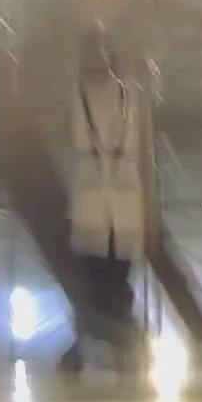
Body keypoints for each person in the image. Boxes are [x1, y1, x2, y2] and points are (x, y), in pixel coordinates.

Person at [58, 24, 150, 382]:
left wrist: (148, 211)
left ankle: (120, 345)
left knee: (118, 279)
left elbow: (144, 154)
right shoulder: (73, 96)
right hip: (90, 200)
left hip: (124, 201)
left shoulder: (129, 95)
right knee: (95, 280)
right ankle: (117, 343)